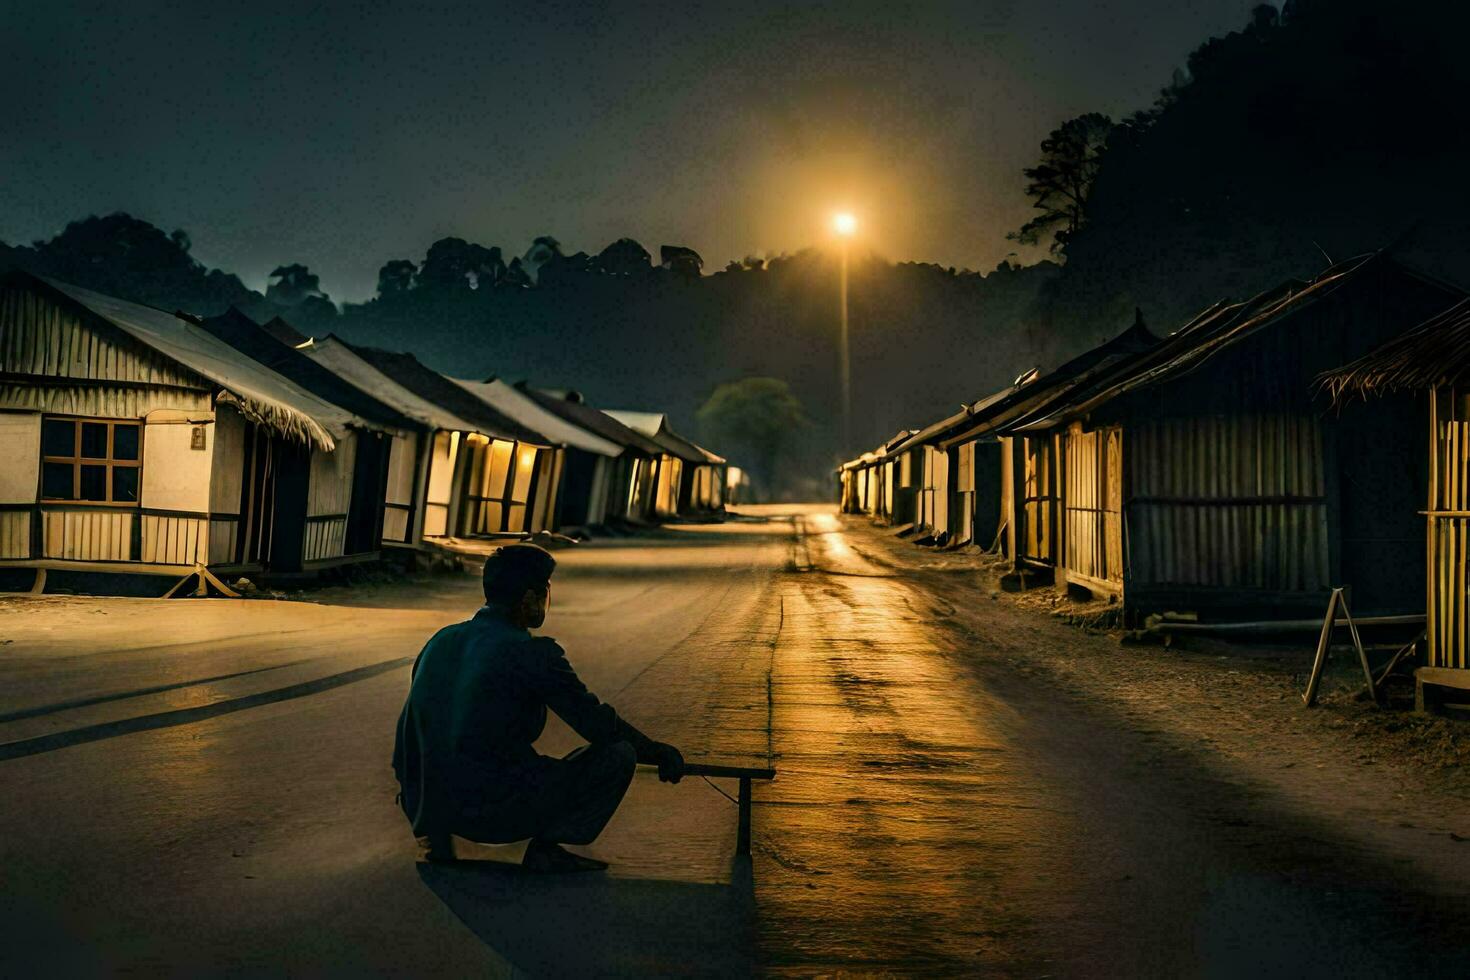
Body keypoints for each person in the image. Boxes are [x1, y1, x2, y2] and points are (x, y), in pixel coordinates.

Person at [392, 543, 684, 872]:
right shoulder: (532, 654)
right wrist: (657, 752)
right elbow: (598, 724)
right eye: (546, 591)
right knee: (618, 754)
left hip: (425, 805)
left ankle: (435, 837)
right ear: (529, 599)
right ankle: (547, 846)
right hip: (489, 808)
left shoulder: (440, 641)